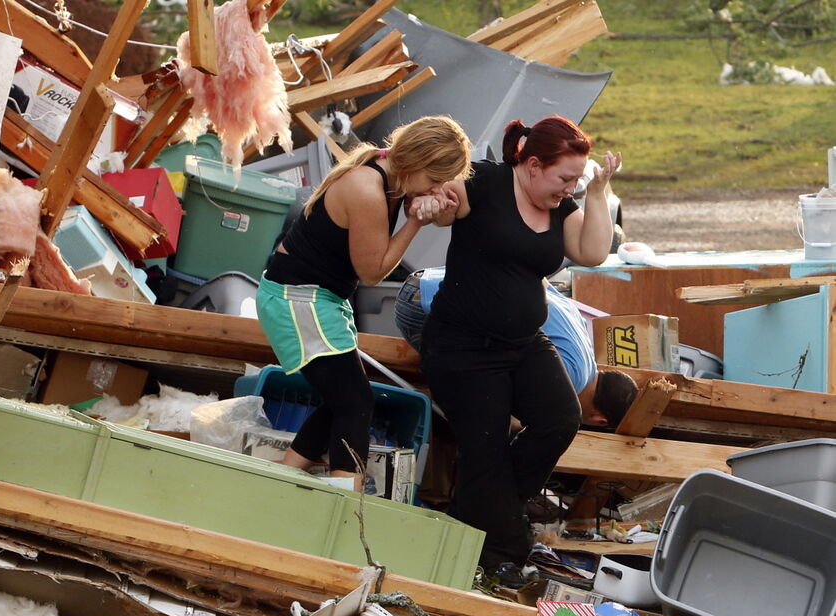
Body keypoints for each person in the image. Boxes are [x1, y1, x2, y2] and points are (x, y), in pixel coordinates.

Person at [418, 115, 620, 585]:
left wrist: (595, 192)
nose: (567, 187)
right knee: (484, 447)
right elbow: (445, 205)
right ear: (532, 165)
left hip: (523, 343)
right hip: (462, 347)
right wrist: (436, 201)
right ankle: (501, 553)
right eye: (563, 178)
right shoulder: (485, 181)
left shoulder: (562, 207)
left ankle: (490, 515)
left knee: (559, 419)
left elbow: (593, 253)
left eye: (575, 179)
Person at [255, 116, 472, 491]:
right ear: (417, 162)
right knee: (355, 402)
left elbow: (428, 205)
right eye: (435, 180)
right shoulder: (368, 190)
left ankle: (277, 480)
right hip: (298, 297)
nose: (437, 188)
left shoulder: (390, 172)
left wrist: (431, 202)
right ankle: (345, 506)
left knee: (341, 399)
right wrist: (415, 225)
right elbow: (372, 273)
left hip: (319, 296)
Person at [394, 267, 638, 427]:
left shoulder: (583, 337)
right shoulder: (569, 380)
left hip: (428, 279)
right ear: (599, 419)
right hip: (422, 304)